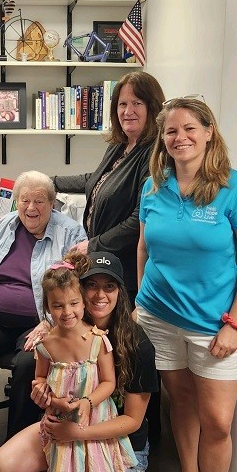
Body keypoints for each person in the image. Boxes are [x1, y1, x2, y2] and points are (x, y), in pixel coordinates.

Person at [136, 96, 237, 472]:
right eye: (171, 131)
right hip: (158, 318)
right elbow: (144, 246)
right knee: (181, 402)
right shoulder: (155, 185)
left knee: (216, 421)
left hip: (213, 326)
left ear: (209, 131)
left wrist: (234, 324)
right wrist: (139, 305)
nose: (179, 138)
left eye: (189, 128)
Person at [0, 251, 157, 472]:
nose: (99, 294)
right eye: (91, 285)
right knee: (3, 468)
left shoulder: (135, 345)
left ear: (120, 292)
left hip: (118, 440)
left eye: (109, 286)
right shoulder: (63, 328)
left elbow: (133, 420)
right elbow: (40, 374)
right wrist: (43, 394)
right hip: (65, 427)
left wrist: (78, 432)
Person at [0, 171, 86, 472]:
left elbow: (75, 285)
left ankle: (17, 453)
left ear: (52, 203)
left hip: (39, 322)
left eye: (39, 201)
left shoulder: (71, 233)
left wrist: (50, 322)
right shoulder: (7, 225)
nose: (31, 208)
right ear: (16, 202)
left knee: (27, 368)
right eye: (25, 201)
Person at [28, 252, 136, 472]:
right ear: (48, 307)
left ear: (82, 304)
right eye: (58, 306)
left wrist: (87, 402)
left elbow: (110, 383)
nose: (67, 312)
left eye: (74, 304)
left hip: (89, 426)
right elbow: (39, 379)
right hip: (58, 422)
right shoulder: (45, 344)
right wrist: (49, 396)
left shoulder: (97, 342)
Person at [52, 71, 166, 304]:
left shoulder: (155, 153)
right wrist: (49, 181)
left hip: (125, 270)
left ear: (153, 108)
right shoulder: (121, 145)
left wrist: (93, 245)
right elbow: (95, 180)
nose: (128, 111)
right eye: (122, 104)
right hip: (102, 260)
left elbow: (139, 220)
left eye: (137, 103)